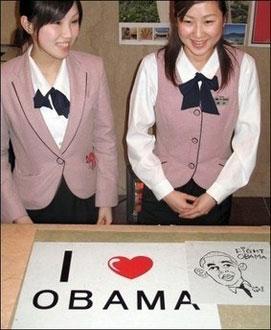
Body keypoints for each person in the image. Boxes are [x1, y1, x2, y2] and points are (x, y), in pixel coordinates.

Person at [126, 0, 260, 225]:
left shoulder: (244, 67)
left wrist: (215, 194)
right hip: (161, 189)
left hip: (216, 191)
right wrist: (164, 190)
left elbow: (249, 139)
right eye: (188, 21)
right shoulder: (152, 66)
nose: (198, 33)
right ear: (176, 20)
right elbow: (137, 136)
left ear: (224, 20)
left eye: (209, 21)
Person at [1, 0, 118, 225]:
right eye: (56, 23)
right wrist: (17, 215)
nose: (68, 34)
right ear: (27, 24)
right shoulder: (5, 79)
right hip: (29, 204)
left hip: (86, 198)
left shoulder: (93, 69)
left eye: (74, 21)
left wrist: (106, 201)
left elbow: (105, 139)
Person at [194, 251, 260, 297]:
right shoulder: (213, 295)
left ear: (240, 266)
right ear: (205, 274)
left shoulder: (259, 281)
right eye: (213, 268)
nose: (222, 271)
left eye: (227, 265)